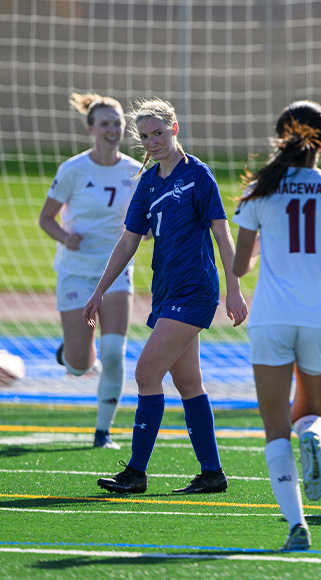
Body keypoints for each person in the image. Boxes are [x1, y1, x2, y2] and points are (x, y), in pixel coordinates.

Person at [85, 97, 248, 495]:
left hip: (194, 291)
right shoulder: (147, 183)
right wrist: (99, 291)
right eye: (145, 137)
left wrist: (235, 289)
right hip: (166, 292)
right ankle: (212, 474)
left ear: (174, 129)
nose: (152, 142)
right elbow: (128, 241)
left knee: (146, 373)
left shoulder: (197, 174)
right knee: (189, 383)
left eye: (158, 133)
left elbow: (222, 234)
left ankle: (136, 472)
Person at [232, 100, 321, 552]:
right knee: (312, 413)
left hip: (272, 315)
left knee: (275, 429)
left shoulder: (260, 187)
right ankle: (311, 435)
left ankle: (297, 525)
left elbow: (240, 264)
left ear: (280, 138)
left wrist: (257, 247)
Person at [38, 93, 143, 450]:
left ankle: (103, 433)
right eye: (105, 124)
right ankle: (72, 353)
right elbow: (46, 219)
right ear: (91, 129)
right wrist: (66, 238)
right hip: (76, 272)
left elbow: (144, 221)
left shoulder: (136, 171)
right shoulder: (73, 169)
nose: (112, 130)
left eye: (117, 123)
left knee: (114, 352)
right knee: (79, 366)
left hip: (115, 272)